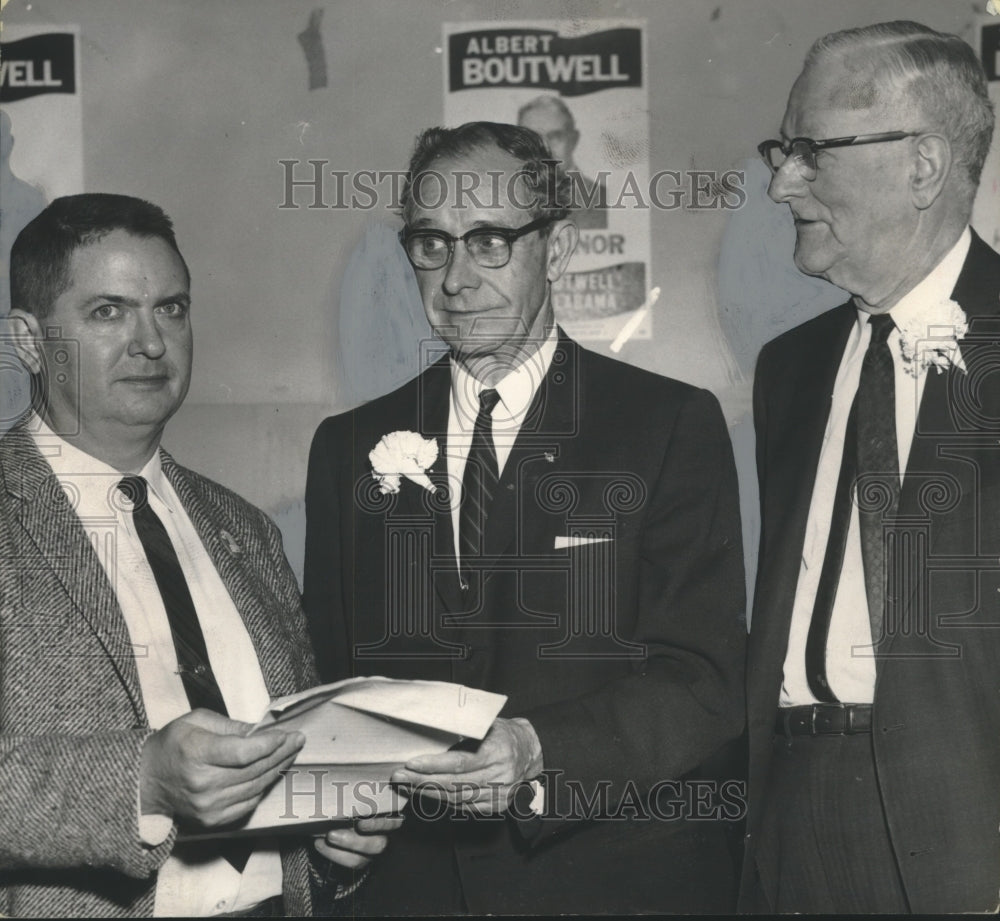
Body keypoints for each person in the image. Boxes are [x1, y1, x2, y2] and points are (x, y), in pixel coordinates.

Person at [303, 122, 746, 915]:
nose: (456, 278)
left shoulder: (666, 423)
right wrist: (332, 820)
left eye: (490, 242)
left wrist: (540, 751)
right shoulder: (346, 449)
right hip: (414, 893)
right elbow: (330, 683)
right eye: (431, 244)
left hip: (612, 886)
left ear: (559, 248)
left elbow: (705, 678)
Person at [0, 193, 400, 917]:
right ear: (29, 341)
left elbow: (291, 771)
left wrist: (334, 835)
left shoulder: (243, 528)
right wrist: (140, 782)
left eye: (172, 309)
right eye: (108, 312)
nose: (152, 343)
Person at [743, 21, 1000, 913]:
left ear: (923, 164)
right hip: (789, 825)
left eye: (811, 150)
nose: (781, 182)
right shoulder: (790, 368)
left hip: (970, 843)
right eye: (783, 151)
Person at [517, 95, 609, 230]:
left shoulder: (603, 199)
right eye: (533, 138)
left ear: (573, 139)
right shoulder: (504, 199)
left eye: (555, 137)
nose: (545, 147)